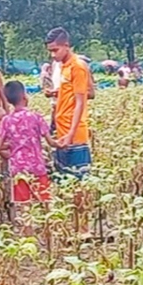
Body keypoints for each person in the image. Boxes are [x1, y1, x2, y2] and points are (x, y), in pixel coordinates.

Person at [0, 80, 54, 216]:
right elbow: (51, 142)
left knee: (24, 207)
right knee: (45, 203)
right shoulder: (36, 117)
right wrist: (63, 142)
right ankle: (48, 234)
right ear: (24, 96)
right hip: (37, 166)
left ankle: (27, 234)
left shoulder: (6, 120)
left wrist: (13, 144)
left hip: (18, 168)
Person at [45, 27, 92, 178]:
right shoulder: (64, 66)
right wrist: (56, 93)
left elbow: (80, 102)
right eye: (50, 51)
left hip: (75, 133)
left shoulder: (77, 66)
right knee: (63, 178)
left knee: (77, 180)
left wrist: (71, 133)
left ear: (66, 45)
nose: (53, 55)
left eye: (55, 50)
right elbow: (69, 93)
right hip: (62, 130)